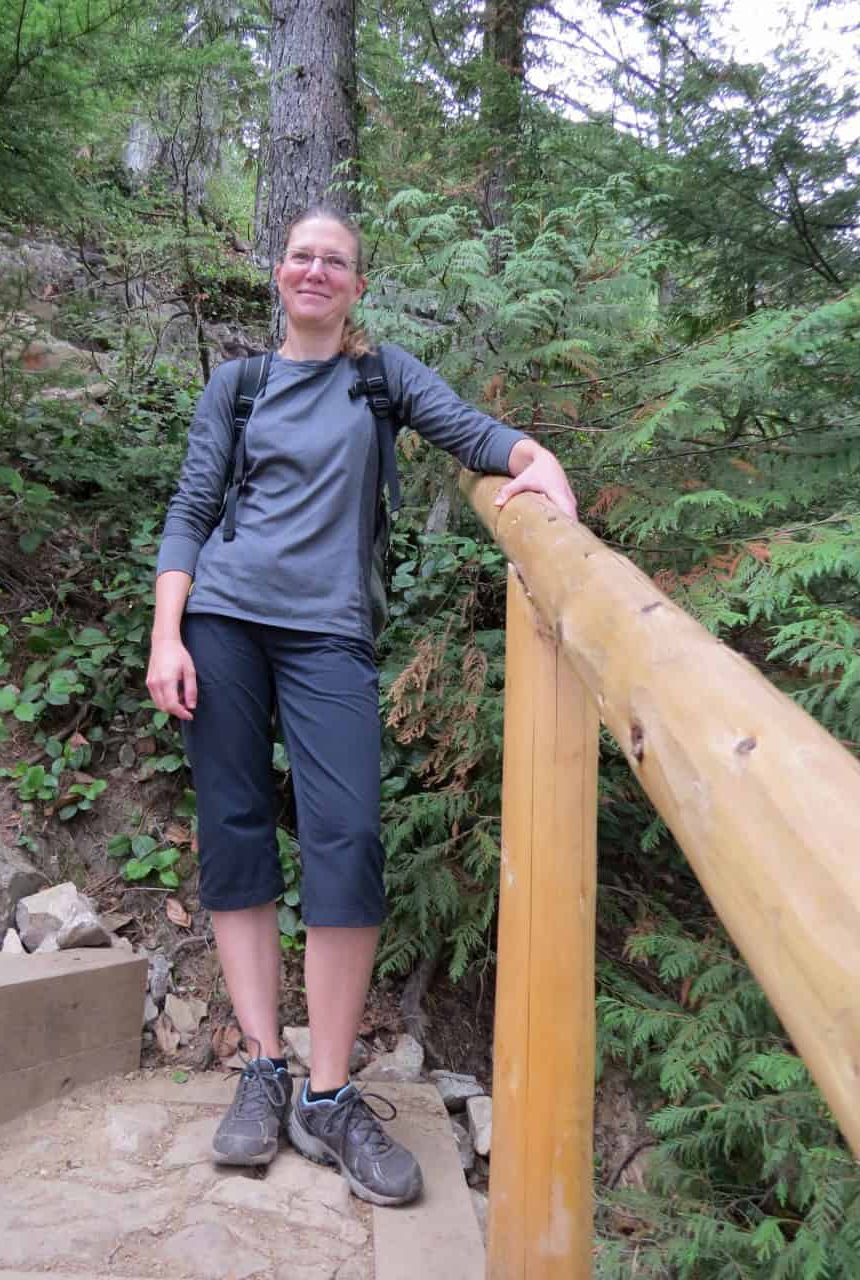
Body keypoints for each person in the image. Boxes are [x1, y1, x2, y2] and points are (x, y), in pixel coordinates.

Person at [146, 204, 577, 1208]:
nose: (315, 270)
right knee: (235, 830)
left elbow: (470, 430)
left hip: (331, 632)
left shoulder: (380, 378)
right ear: (279, 272)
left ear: (356, 285)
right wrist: (168, 632)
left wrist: (535, 462)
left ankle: (329, 1093)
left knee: (347, 838)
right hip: (221, 621)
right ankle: (264, 1067)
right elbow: (192, 509)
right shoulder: (237, 384)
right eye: (301, 255)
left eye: (333, 260)